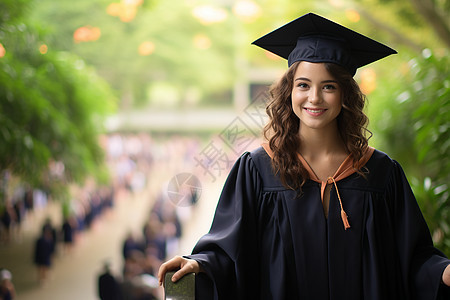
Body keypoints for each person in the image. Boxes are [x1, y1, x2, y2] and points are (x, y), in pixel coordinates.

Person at [158, 12, 450, 299]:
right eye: (303, 85)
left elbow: (413, 255)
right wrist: (200, 262)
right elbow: (228, 246)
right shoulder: (258, 170)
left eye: (329, 87)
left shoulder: (380, 172)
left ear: (345, 95)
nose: (314, 98)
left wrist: (441, 271)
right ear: (289, 92)